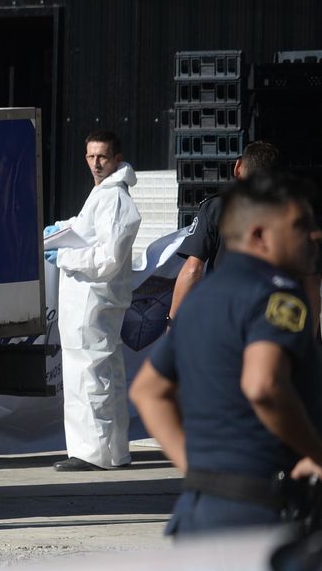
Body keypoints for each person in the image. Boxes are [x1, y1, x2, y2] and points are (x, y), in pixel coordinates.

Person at [130, 172, 322, 536]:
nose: (315, 234)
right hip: (263, 516)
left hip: (201, 511)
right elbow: (264, 385)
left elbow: (147, 391)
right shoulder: (278, 297)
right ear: (259, 236)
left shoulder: (203, 299)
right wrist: (316, 452)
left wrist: (195, 467)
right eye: (300, 225)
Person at [44, 128, 141, 471]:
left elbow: (108, 257)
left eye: (102, 156)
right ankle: (113, 452)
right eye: (90, 156)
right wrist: (61, 229)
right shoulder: (105, 193)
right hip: (93, 300)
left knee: (90, 375)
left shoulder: (115, 197)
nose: (95, 163)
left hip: (93, 299)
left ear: (117, 158)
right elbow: (88, 228)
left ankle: (91, 453)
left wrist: (65, 257)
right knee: (102, 373)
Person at [169, 141, 280, 320]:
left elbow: (192, 269)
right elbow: (310, 279)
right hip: (271, 315)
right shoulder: (291, 213)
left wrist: (172, 323)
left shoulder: (215, 208)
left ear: (238, 167)